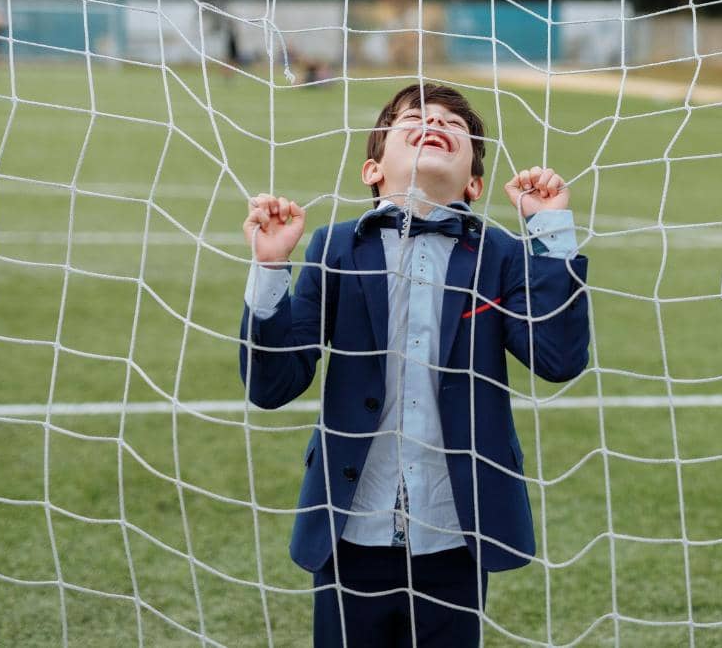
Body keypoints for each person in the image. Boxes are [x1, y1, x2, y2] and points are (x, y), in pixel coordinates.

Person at [239, 83, 589, 647]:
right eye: (416, 117)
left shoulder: (500, 254)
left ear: (474, 182)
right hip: (349, 524)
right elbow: (271, 383)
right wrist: (271, 269)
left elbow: (558, 358)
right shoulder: (334, 247)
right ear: (372, 170)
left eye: (455, 123)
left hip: (458, 527)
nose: (436, 123)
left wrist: (549, 231)